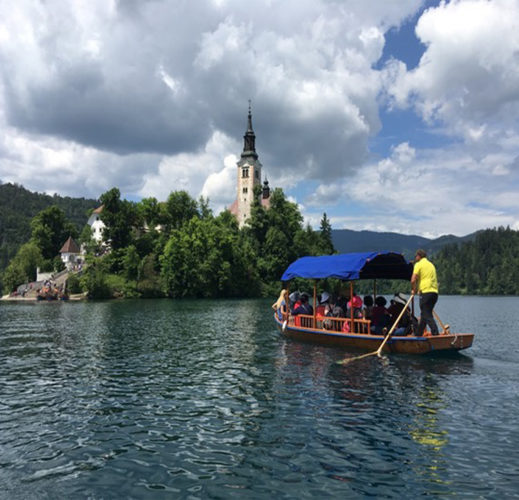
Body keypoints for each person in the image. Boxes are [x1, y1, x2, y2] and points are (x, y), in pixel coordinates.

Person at [411, 249, 439, 336]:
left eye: (416, 256)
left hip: (425, 292)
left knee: (426, 314)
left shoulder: (418, 264)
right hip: (434, 293)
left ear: (419, 256)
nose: (415, 258)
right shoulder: (431, 265)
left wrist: (413, 290)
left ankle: (435, 333)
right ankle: (418, 333)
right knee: (425, 313)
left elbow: (413, 279)